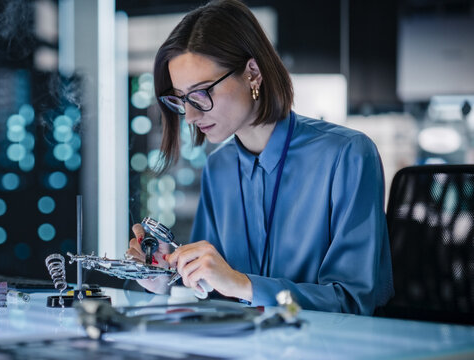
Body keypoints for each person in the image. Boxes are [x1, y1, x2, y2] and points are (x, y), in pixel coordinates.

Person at [125, 0, 393, 315]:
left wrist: (243, 284)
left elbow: (352, 303)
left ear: (252, 73)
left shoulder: (347, 155)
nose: (190, 115)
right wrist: (166, 275)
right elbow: (210, 289)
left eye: (201, 93)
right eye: (181, 99)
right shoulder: (218, 168)